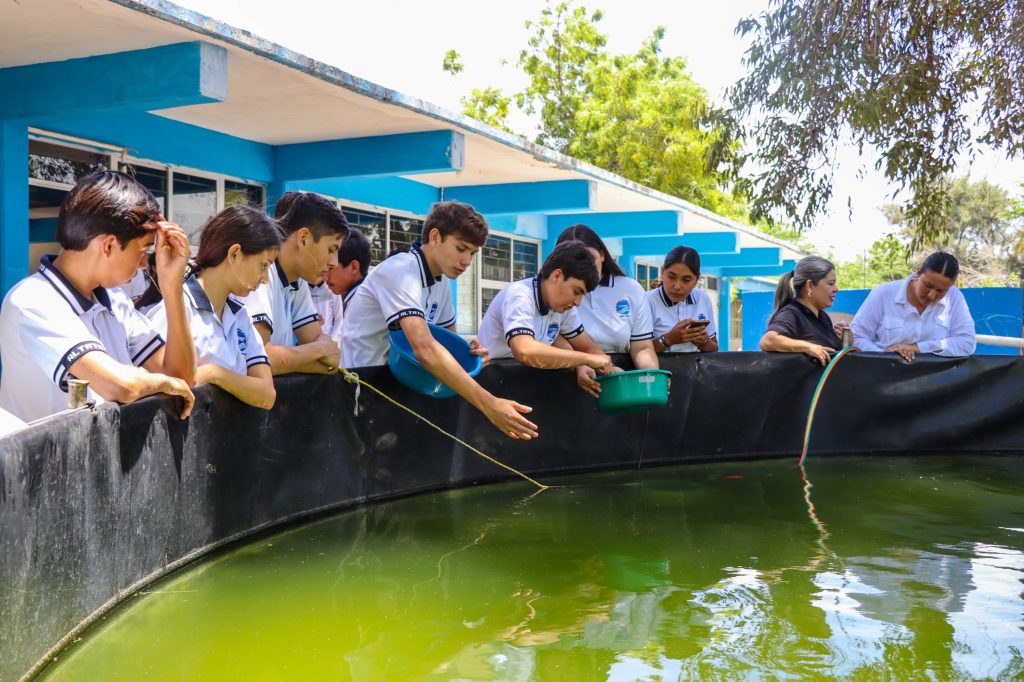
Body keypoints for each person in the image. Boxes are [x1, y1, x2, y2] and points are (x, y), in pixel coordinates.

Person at [0, 170, 195, 422]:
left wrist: (172, 285)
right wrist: (159, 382)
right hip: (43, 460)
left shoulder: (116, 301)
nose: (144, 265)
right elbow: (120, 386)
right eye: (142, 252)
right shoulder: (33, 299)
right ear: (109, 245)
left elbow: (182, 379)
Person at [341, 201, 538, 440]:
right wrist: (489, 404)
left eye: (472, 253)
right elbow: (424, 349)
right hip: (359, 390)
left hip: (400, 389)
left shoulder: (441, 281)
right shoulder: (400, 271)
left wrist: (472, 353)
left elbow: (448, 344)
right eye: (461, 248)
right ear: (435, 237)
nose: (467, 261)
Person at [148, 206, 280, 409]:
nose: (265, 279)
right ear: (234, 254)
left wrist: (214, 373)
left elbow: (267, 394)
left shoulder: (240, 316)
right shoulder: (175, 308)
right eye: (263, 265)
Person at [476, 240, 615, 393]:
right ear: (557, 275)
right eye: (576, 291)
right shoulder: (520, 295)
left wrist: (612, 371)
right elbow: (524, 351)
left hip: (524, 390)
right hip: (490, 388)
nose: (577, 302)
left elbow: (587, 346)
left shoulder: (563, 307)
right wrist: (586, 360)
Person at [247, 191, 348, 375]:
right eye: (331, 249)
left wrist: (286, 361)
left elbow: (329, 362)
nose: (334, 262)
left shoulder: (297, 281)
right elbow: (259, 360)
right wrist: (320, 349)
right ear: (303, 239)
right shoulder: (260, 273)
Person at [553, 225, 657, 397]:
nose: (584, 267)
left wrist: (651, 377)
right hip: (564, 383)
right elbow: (551, 336)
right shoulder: (555, 292)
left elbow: (642, 347)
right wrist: (578, 364)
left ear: (602, 254)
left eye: (590, 258)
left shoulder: (630, 289)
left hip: (618, 382)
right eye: (575, 261)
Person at [851, 252, 976, 361]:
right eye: (928, 285)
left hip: (935, 382)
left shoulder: (955, 298)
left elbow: (967, 343)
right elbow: (856, 337)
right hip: (883, 376)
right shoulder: (884, 293)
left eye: (941, 291)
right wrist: (886, 357)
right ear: (918, 272)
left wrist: (918, 348)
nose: (932, 295)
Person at [759, 256, 842, 366]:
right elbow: (768, 341)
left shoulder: (822, 316)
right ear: (810, 286)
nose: (836, 289)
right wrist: (808, 347)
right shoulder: (791, 313)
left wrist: (846, 341)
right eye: (831, 283)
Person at [646, 246, 719, 353]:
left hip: (695, 368)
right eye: (671, 277)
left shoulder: (702, 298)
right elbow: (638, 350)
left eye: (686, 280)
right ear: (662, 273)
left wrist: (703, 342)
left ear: (696, 280)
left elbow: (714, 348)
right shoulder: (647, 301)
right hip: (660, 369)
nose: (677, 286)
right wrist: (668, 339)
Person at [309, 227, 371, 346]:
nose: (325, 276)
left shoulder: (363, 302)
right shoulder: (357, 298)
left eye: (331, 268)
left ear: (353, 267)